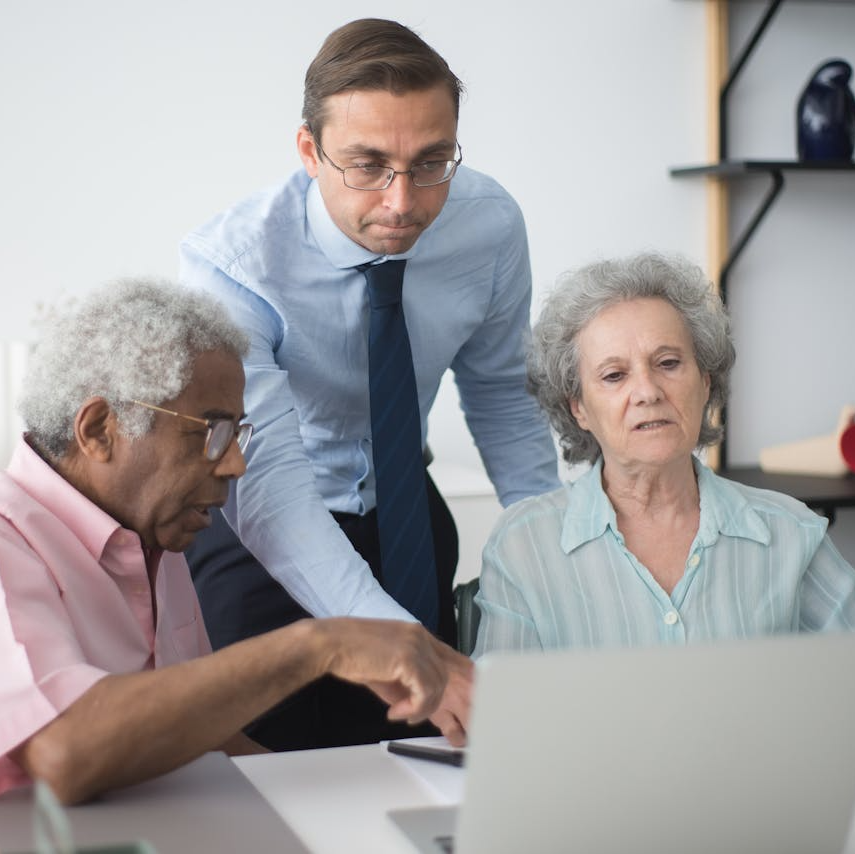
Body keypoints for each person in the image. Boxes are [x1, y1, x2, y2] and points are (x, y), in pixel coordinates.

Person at [179, 18, 558, 748]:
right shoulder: (231, 265)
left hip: (406, 519)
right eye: (368, 165)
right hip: (258, 532)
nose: (401, 201)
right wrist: (398, 642)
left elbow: (503, 396)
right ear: (308, 151)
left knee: (418, 759)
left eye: (431, 162)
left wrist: (551, 556)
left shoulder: (489, 226)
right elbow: (271, 484)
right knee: (267, 777)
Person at [0, 278, 472, 805]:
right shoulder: (8, 543)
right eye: (211, 432)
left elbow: (202, 737)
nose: (236, 465)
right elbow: (63, 751)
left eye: (236, 434)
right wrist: (320, 646)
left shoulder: (150, 536)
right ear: (98, 430)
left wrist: (341, 814)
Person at [474, 252, 855, 655]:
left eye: (668, 363)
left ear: (705, 382)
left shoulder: (793, 533)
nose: (648, 392)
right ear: (579, 408)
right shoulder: (523, 545)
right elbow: (503, 696)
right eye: (614, 375)